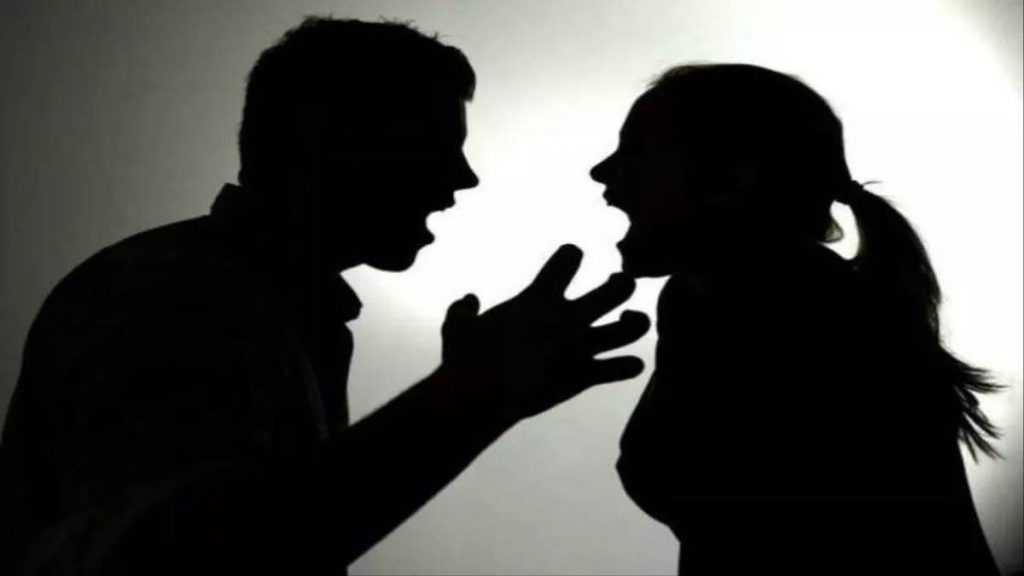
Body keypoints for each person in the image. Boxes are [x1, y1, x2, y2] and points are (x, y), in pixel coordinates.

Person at [0, 18, 651, 575]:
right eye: (435, 148)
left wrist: (471, 398)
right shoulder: (171, 296)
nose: (462, 178)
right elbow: (184, 555)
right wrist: (471, 399)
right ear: (336, 145)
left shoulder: (271, 308)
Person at [594, 64, 1002, 575]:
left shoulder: (815, 320)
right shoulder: (701, 301)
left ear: (732, 179)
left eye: (636, 150)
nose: (603, 172)